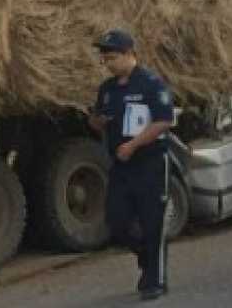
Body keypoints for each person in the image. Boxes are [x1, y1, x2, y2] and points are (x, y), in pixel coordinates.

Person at [88, 28, 175, 301]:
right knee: (117, 221)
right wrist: (97, 122)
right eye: (104, 59)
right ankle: (145, 256)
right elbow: (98, 120)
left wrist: (134, 145)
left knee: (153, 223)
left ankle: (155, 281)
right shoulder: (107, 90)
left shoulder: (151, 84)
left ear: (129, 55)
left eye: (112, 57)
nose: (108, 64)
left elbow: (163, 121)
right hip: (122, 165)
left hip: (149, 162)